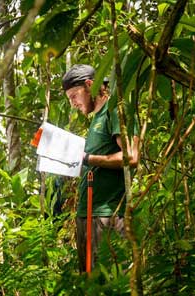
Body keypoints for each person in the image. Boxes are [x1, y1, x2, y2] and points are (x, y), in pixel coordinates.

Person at [62, 64, 139, 272]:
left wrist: (87, 158)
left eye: (74, 96)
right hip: (89, 214)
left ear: (89, 85)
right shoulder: (97, 118)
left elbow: (131, 156)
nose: (73, 104)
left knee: (111, 280)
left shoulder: (114, 109)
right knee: (91, 283)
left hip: (107, 215)